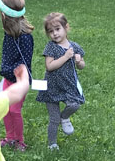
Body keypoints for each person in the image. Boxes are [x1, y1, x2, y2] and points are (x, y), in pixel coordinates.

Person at [36, 12, 85, 150]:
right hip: (52, 87)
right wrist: (65, 57)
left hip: (68, 85)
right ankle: (52, 144)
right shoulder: (51, 47)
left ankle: (65, 117)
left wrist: (79, 61)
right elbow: (49, 66)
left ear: (66, 27)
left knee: (75, 104)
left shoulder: (74, 46)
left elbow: (82, 66)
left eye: (57, 29)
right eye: (50, 31)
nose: (55, 34)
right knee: (54, 119)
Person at [0, 0, 34, 151]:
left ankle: (19, 140)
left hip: (20, 80)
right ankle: (9, 137)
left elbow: (24, 62)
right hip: (8, 77)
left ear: (5, 15)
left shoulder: (24, 37)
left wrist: (12, 71)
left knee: (14, 110)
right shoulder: (9, 33)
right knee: (6, 108)